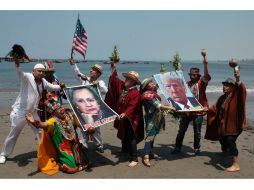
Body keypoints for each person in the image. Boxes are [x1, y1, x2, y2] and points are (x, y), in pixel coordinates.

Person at [0, 54, 64, 164]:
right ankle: (4, 154)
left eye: (43, 71)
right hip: (21, 112)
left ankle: (43, 152)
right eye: (39, 71)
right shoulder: (28, 77)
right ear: (33, 71)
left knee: (39, 132)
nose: (42, 73)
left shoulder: (43, 82)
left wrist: (61, 86)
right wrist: (17, 63)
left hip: (33, 112)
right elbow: (19, 73)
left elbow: (52, 87)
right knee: (14, 133)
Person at [25, 102, 90, 174]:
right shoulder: (53, 121)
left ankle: (76, 160)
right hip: (64, 150)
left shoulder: (70, 116)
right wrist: (34, 122)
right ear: (54, 113)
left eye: (61, 107)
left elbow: (82, 125)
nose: (62, 109)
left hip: (75, 146)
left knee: (85, 162)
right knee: (72, 169)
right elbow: (44, 125)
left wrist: (89, 129)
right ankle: (60, 163)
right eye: (58, 109)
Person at [205, 66, 246, 172]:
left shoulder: (237, 96)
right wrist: (207, 109)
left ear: (232, 87)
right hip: (224, 125)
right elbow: (215, 108)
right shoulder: (222, 98)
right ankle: (224, 152)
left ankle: (235, 164)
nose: (224, 87)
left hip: (235, 125)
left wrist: (237, 74)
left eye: (227, 85)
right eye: (224, 85)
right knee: (222, 139)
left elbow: (241, 88)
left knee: (230, 141)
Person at [171, 50, 211, 155]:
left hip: (198, 111)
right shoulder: (187, 84)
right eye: (191, 74)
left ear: (198, 76)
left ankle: (197, 148)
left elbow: (206, 76)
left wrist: (205, 64)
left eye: (194, 75)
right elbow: (178, 89)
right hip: (187, 111)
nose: (192, 76)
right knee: (181, 130)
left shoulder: (201, 83)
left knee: (197, 131)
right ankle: (177, 147)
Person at [105, 63, 144, 167]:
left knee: (131, 137)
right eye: (126, 78)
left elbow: (133, 106)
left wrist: (125, 113)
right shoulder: (123, 87)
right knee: (124, 134)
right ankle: (124, 150)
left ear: (134, 82)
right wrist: (113, 69)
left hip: (131, 118)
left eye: (129, 79)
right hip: (122, 116)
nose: (126, 80)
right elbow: (115, 81)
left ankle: (134, 158)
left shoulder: (135, 93)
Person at [69, 58, 107, 153]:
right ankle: (83, 144)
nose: (91, 70)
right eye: (91, 69)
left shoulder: (100, 82)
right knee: (81, 126)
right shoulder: (85, 80)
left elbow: (105, 90)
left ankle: (99, 145)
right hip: (83, 108)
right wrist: (73, 64)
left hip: (94, 109)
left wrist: (96, 84)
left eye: (93, 70)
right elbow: (77, 74)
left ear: (98, 74)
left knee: (95, 128)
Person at [140, 77, 175, 167]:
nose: (153, 84)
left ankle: (150, 152)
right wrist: (170, 107)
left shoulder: (152, 93)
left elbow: (158, 86)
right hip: (151, 118)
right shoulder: (148, 95)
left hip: (156, 117)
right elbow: (159, 106)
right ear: (146, 86)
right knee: (149, 136)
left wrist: (161, 76)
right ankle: (146, 156)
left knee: (153, 135)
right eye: (150, 83)